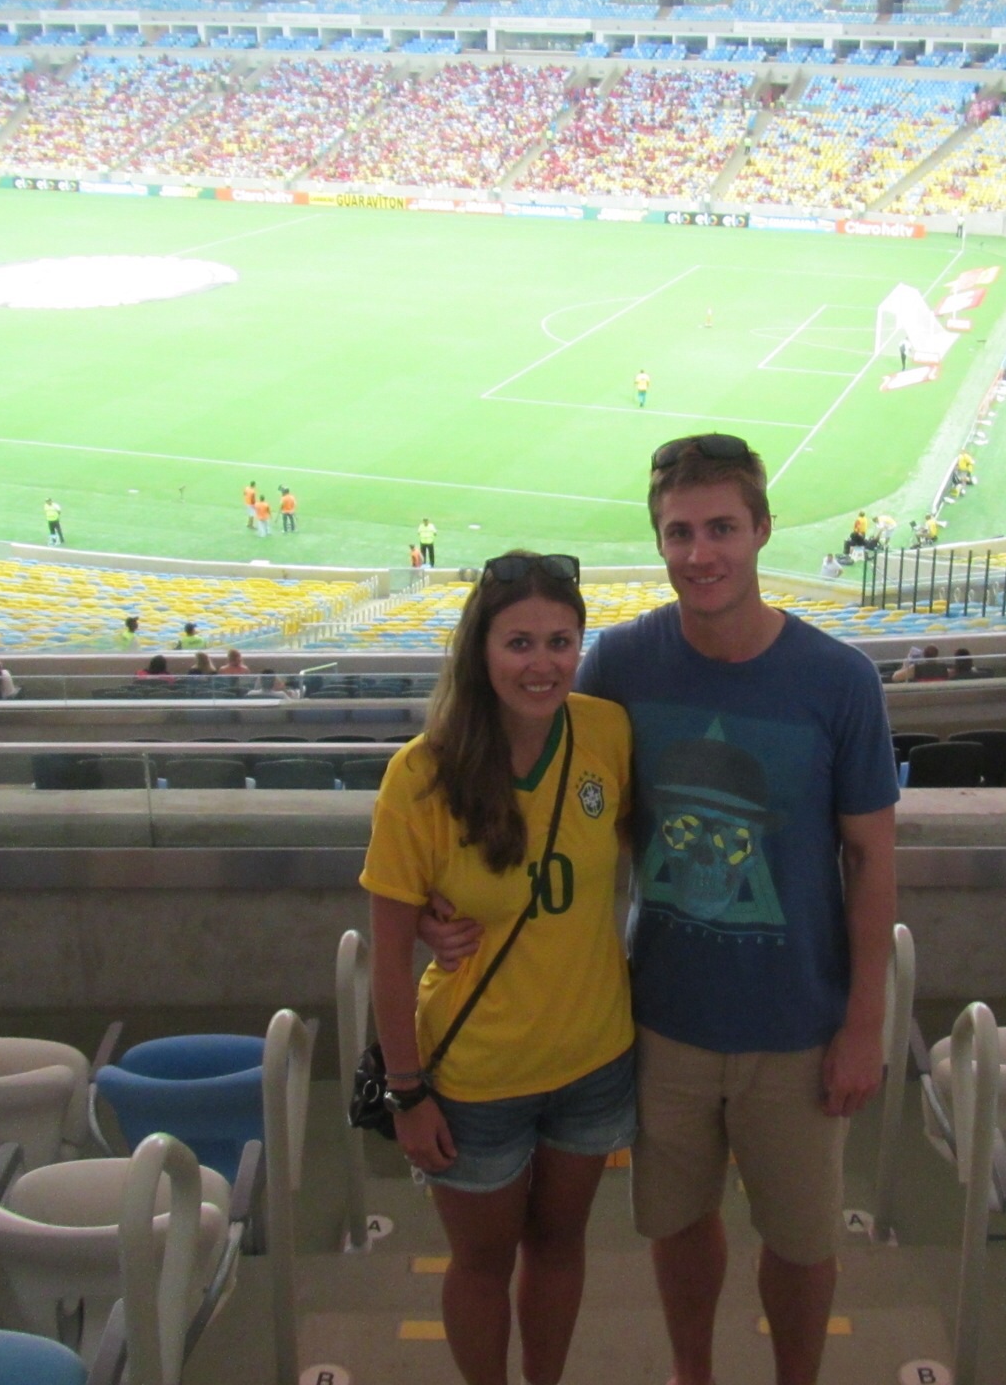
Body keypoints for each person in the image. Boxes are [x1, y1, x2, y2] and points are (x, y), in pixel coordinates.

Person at [427, 435, 896, 1385]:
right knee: (680, 1229)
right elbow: (529, 782)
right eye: (679, 532)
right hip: (663, 1020)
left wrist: (863, 1024)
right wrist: (444, 896)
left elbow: (872, 857)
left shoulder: (840, 681)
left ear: (762, 530)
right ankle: (695, 1376)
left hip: (798, 1027)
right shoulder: (622, 661)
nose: (700, 552)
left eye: (721, 527)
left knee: (802, 1245)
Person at [363, 552, 635, 1385]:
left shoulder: (607, 732)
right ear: (480, 649)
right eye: (520, 643)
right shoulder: (421, 775)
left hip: (593, 1060)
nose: (542, 663)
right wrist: (407, 1092)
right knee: (481, 1265)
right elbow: (384, 952)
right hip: (476, 1080)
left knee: (560, 1247)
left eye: (561, 641)